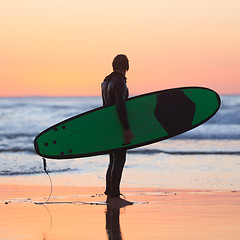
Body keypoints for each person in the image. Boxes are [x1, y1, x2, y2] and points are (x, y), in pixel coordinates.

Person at [101, 54, 135, 208]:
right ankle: (114, 197)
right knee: (119, 159)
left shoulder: (105, 82)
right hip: (118, 126)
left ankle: (110, 195)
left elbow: (105, 108)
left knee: (112, 160)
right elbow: (121, 105)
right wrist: (126, 128)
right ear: (126, 66)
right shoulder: (119, 81)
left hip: (109, 127)